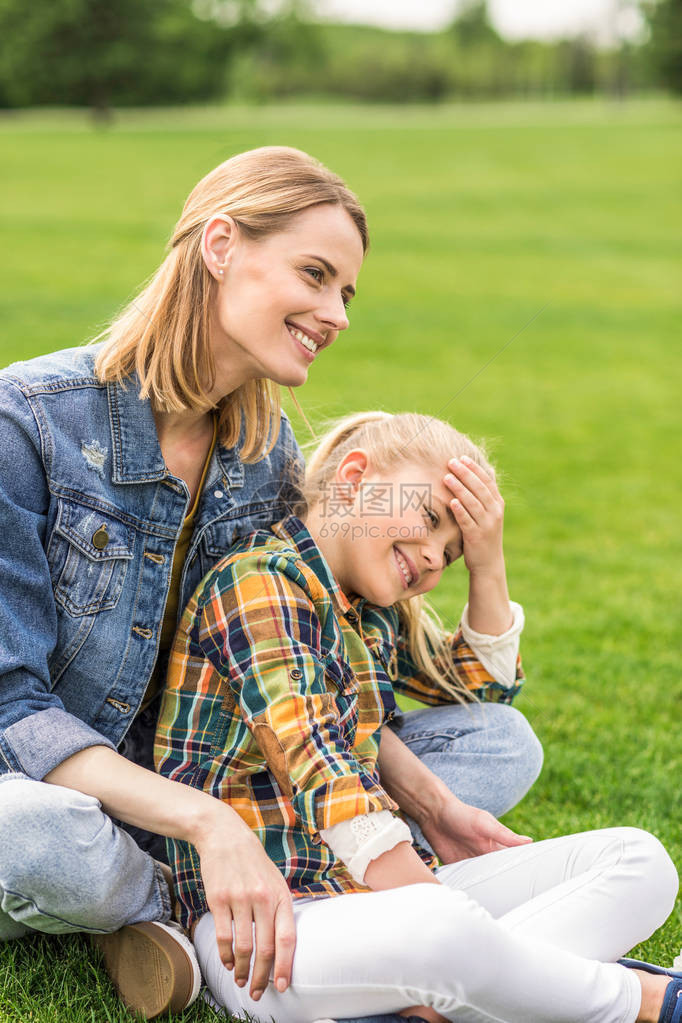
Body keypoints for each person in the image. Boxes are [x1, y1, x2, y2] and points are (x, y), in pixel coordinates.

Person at [0, 146, 540, 1019]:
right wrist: (211, 825)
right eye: (315, 275)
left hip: (206, 765)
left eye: (346, 294)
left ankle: (187, 908)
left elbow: (302, 665)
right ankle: (173, 914)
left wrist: (433, 801)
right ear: (220, 245)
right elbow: (13, 711)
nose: (335, 314)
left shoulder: (265, 453)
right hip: (64, 788)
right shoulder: (25, 423)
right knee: (32, 838)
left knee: (500, 744)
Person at [155, 411, 680, 1023]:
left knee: (641, 861)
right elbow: (315, 760)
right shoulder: (257, 582)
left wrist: (488, 563)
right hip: (268, 930)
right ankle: (646, 1001)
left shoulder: (370, 612)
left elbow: (478, 687)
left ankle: (433, 1009)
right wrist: (443, 915)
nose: (433, 559)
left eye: (451, 556)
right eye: (430, 519)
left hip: (384, 906)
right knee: (444, 931)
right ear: (354, 478)